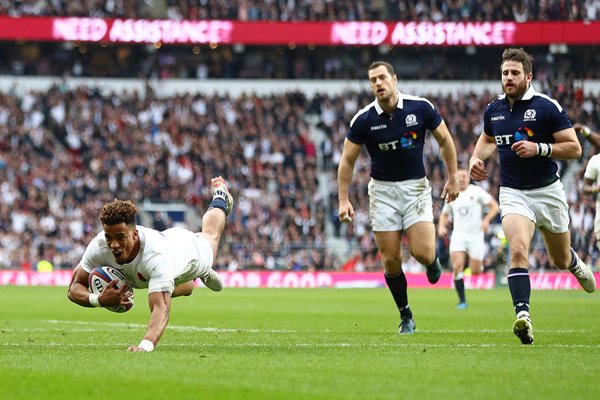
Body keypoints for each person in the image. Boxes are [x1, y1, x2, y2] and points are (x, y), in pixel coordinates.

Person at [469, 47, 596, 345]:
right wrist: (477, 158)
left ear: (528, 76)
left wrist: (539, 148)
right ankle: (523, 315)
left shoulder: (546, 107)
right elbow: (487, 138)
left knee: (560, 258)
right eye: (504, 73)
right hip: (513, 192)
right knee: (517, 250)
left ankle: (574, 263)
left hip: (548, 192)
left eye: (514, 73)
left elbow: (575, 148)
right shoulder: (494, 109)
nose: (508, 78)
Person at [337, 60, 459, 335]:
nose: (377, 84)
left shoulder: (421, 107)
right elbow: (347, 161)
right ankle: (406, 315)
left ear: (394, 79)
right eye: (372, 80)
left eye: (381, 78)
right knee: (391, 260)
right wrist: (343, 200)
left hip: (415, 188)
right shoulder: (364, 119)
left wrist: (453, 177)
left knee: (422, 252)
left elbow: (445, 140)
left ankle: (432, 261)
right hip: (382, 193)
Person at [67, 176, 233, 352]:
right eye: (109, 238)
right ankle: (188, 280)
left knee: (210, 234)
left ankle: (220, 195)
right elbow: (74, 288)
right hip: (159, 262)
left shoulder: (155, 255)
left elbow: (160, 307)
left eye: (121, 238)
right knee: (180, 287)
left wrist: (145, 345)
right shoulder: (99, 245)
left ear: (135, 234)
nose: (113, 245)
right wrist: (98, 300)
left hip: (186, 252)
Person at [438, 169, 499, 309]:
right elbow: (444, 214)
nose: (462, 179)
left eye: (465, 176)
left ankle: (473, 264)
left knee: (476, 270)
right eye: (460, 176)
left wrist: (486, 220)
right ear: (456, 178)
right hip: (459, 235)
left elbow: (495, 207)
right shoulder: (452, 193)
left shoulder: (476, 192)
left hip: (475, 235)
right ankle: (462, 301)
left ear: (469, 178)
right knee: (457, 267)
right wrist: (441, 226)